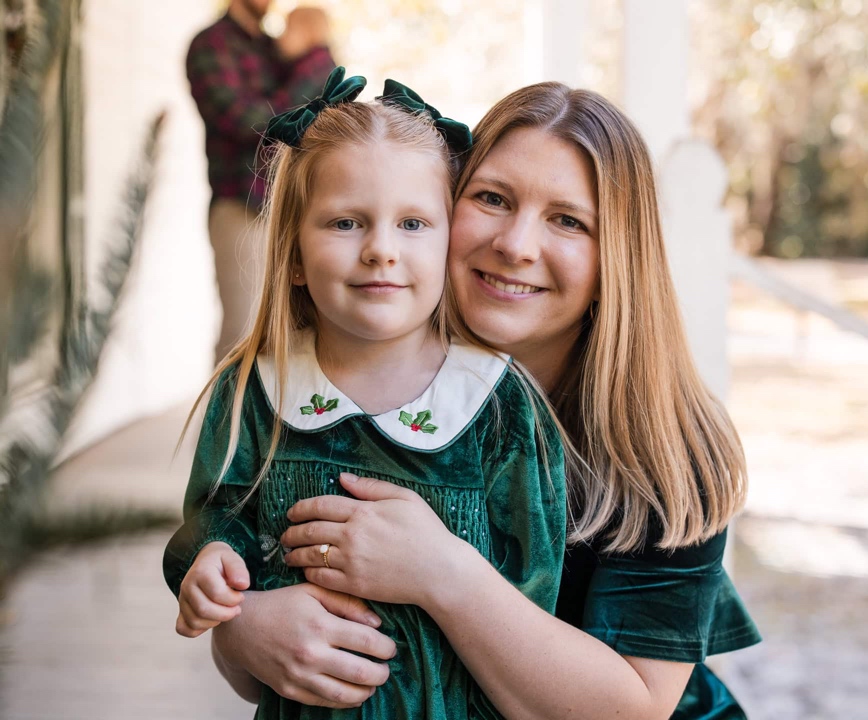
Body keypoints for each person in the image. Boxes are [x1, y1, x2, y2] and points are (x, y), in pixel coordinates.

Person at [205, 80, 762, 720]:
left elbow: (633, 710)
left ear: (618, 257)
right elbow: (267, 631)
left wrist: (442, 571)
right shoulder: (349, 385)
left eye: (568, 220)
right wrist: (243, 628)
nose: (516, 245)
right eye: (493, 199)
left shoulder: (665, 445)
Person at [162, 68, 568, 720]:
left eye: (413, 223)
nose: (381, 250)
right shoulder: (257, 391)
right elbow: (214, 516)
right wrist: (213, 565)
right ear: (292, 254)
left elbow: (535, 593)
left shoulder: (495, 406)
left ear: (448, 245)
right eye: (347, 222)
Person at [187, 0, 335, 362]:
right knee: (243, 334)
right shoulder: (211, 44)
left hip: (294, 206)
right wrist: (309, 93)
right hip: (243, 206)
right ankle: (226, 420)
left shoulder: (274, 47)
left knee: (299, 330)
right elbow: (249, 122)